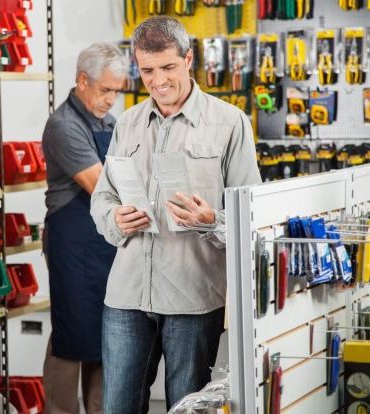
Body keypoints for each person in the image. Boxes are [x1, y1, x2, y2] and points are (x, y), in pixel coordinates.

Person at [90, 17, 262, 413]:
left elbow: (252, 216)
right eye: (147, 70)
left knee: (187, 408)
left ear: (188, 60)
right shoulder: (128, 122)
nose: (158, 81)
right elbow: (102, 198)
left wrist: (212, 221)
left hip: (193, 298)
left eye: (168, 67)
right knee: (117, 407)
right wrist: (115, 219)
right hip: (127, 295)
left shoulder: (229, 123)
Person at [41, 42, 128, 414]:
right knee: (72, 332)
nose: (111, 100)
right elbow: (101, 185)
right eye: (106, 90)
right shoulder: (64, 126)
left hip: (104, 242)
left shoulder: (107, 123)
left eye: (116, 92)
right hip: (72, 243)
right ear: (82, 81)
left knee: (105, 333)